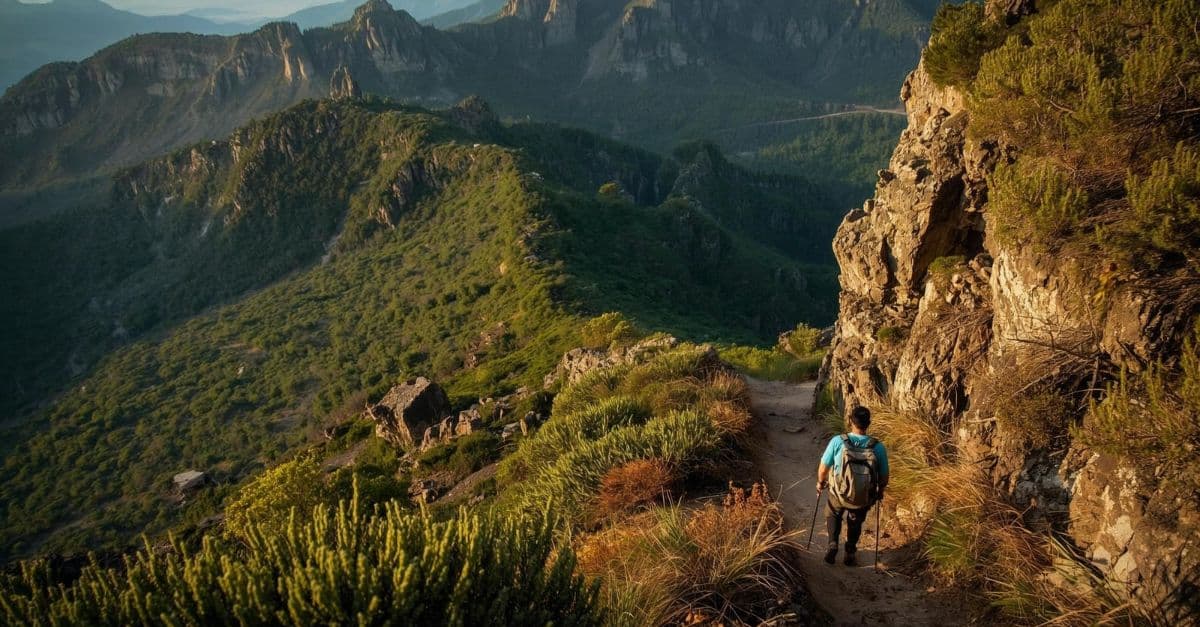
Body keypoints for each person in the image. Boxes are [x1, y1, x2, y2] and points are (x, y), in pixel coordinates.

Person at [816, 406, 889, 566]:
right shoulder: (878, 447)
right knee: (856, 520)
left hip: (839, 493)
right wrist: (880, 490)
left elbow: (823, 469)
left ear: (850, 421)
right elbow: (884, 476)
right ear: (868, 423)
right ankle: (850, 552)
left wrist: (820, 483)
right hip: (862, 497)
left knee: (833, 513)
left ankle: (833, 543)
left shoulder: (838, 441)